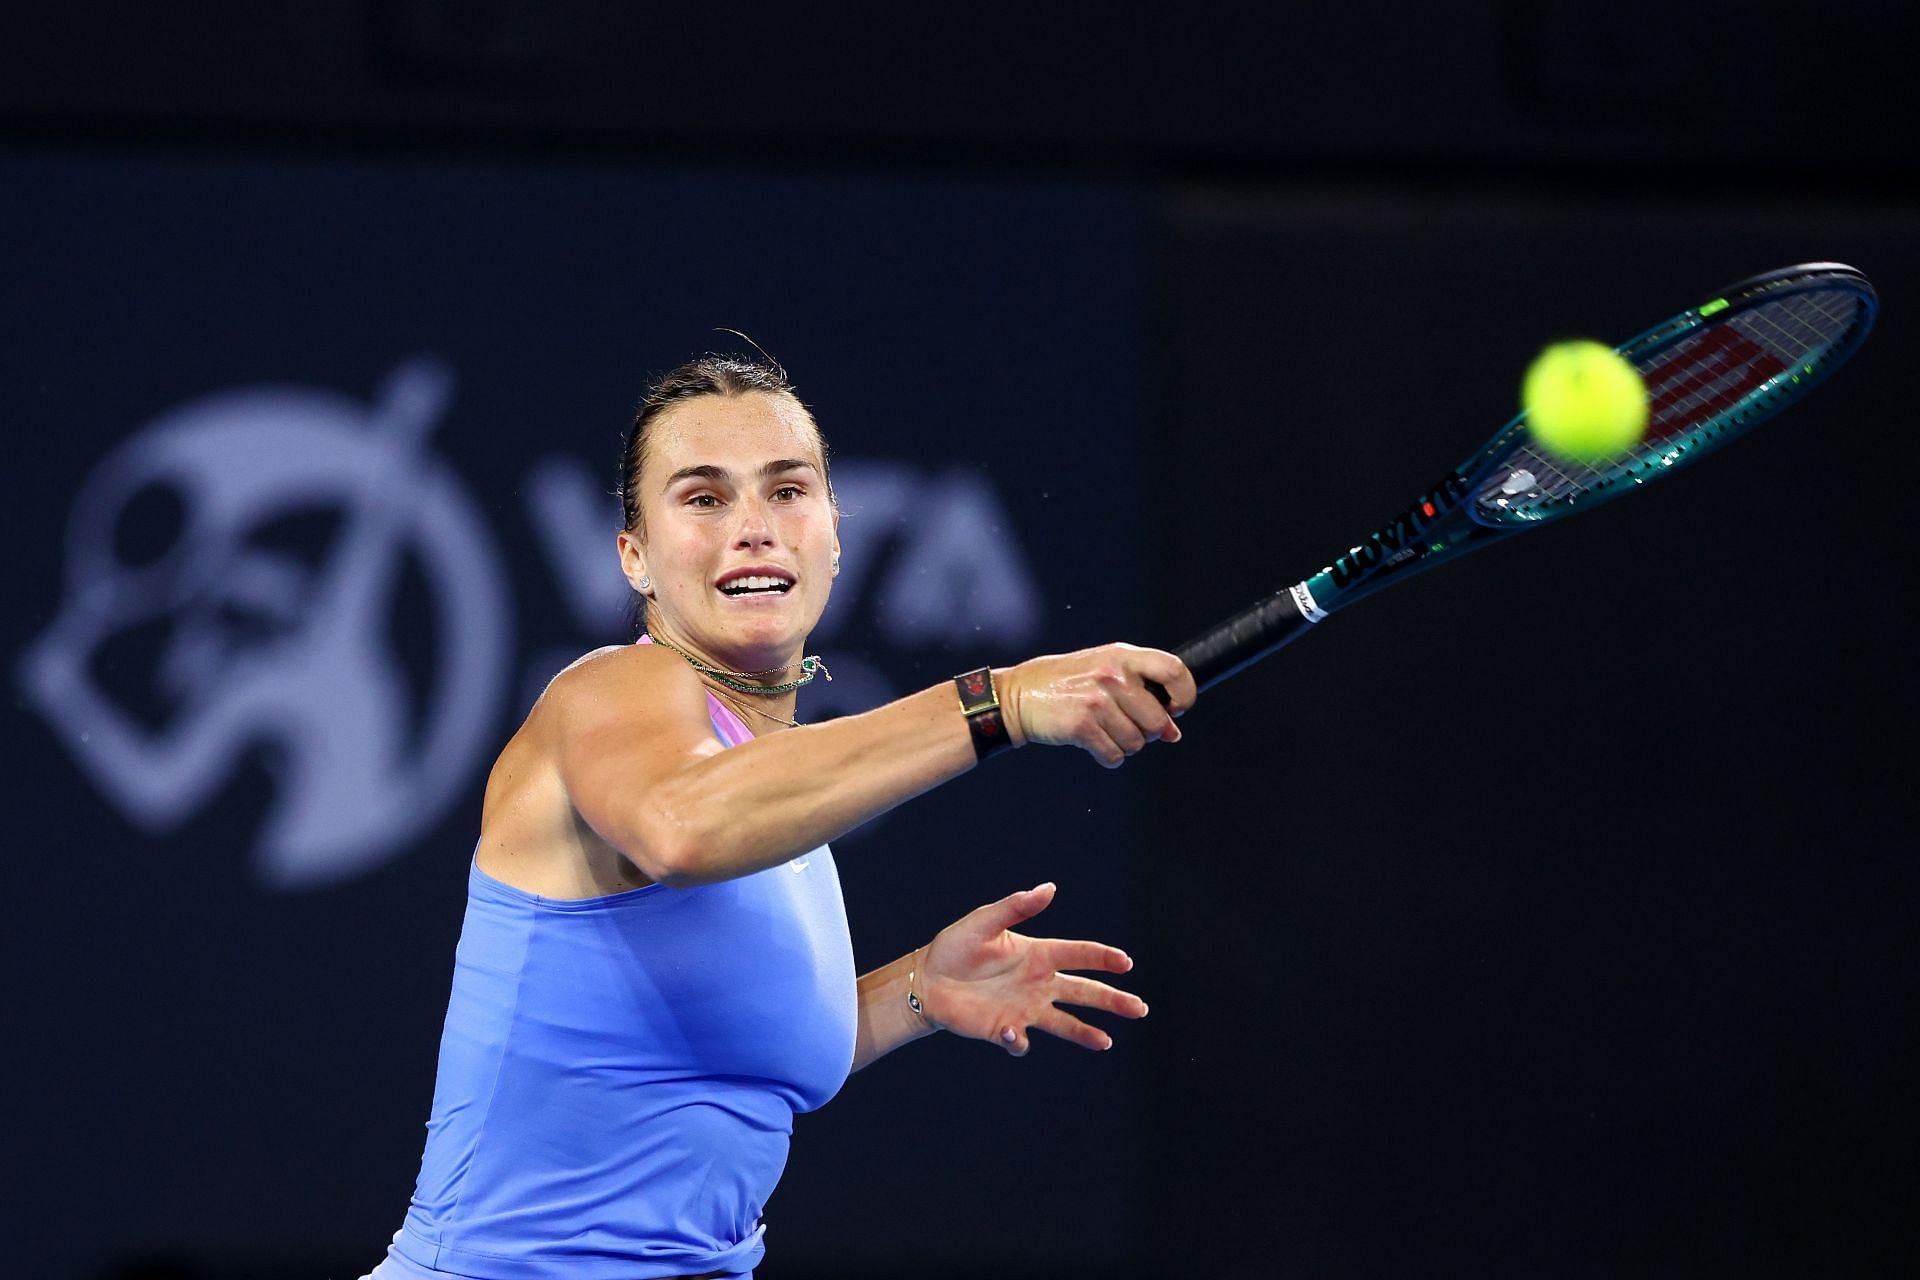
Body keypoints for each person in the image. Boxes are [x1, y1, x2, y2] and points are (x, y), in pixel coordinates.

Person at [363, 354, 1196, 1280]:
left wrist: (918, 990)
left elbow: (718, 1063)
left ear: (835, 532)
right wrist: (995, 700)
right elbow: (681, 825)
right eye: (704, 498)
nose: (754, 528)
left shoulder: (776, 788)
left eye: (788, 490)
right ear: (633, 554)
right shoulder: (607, 692)